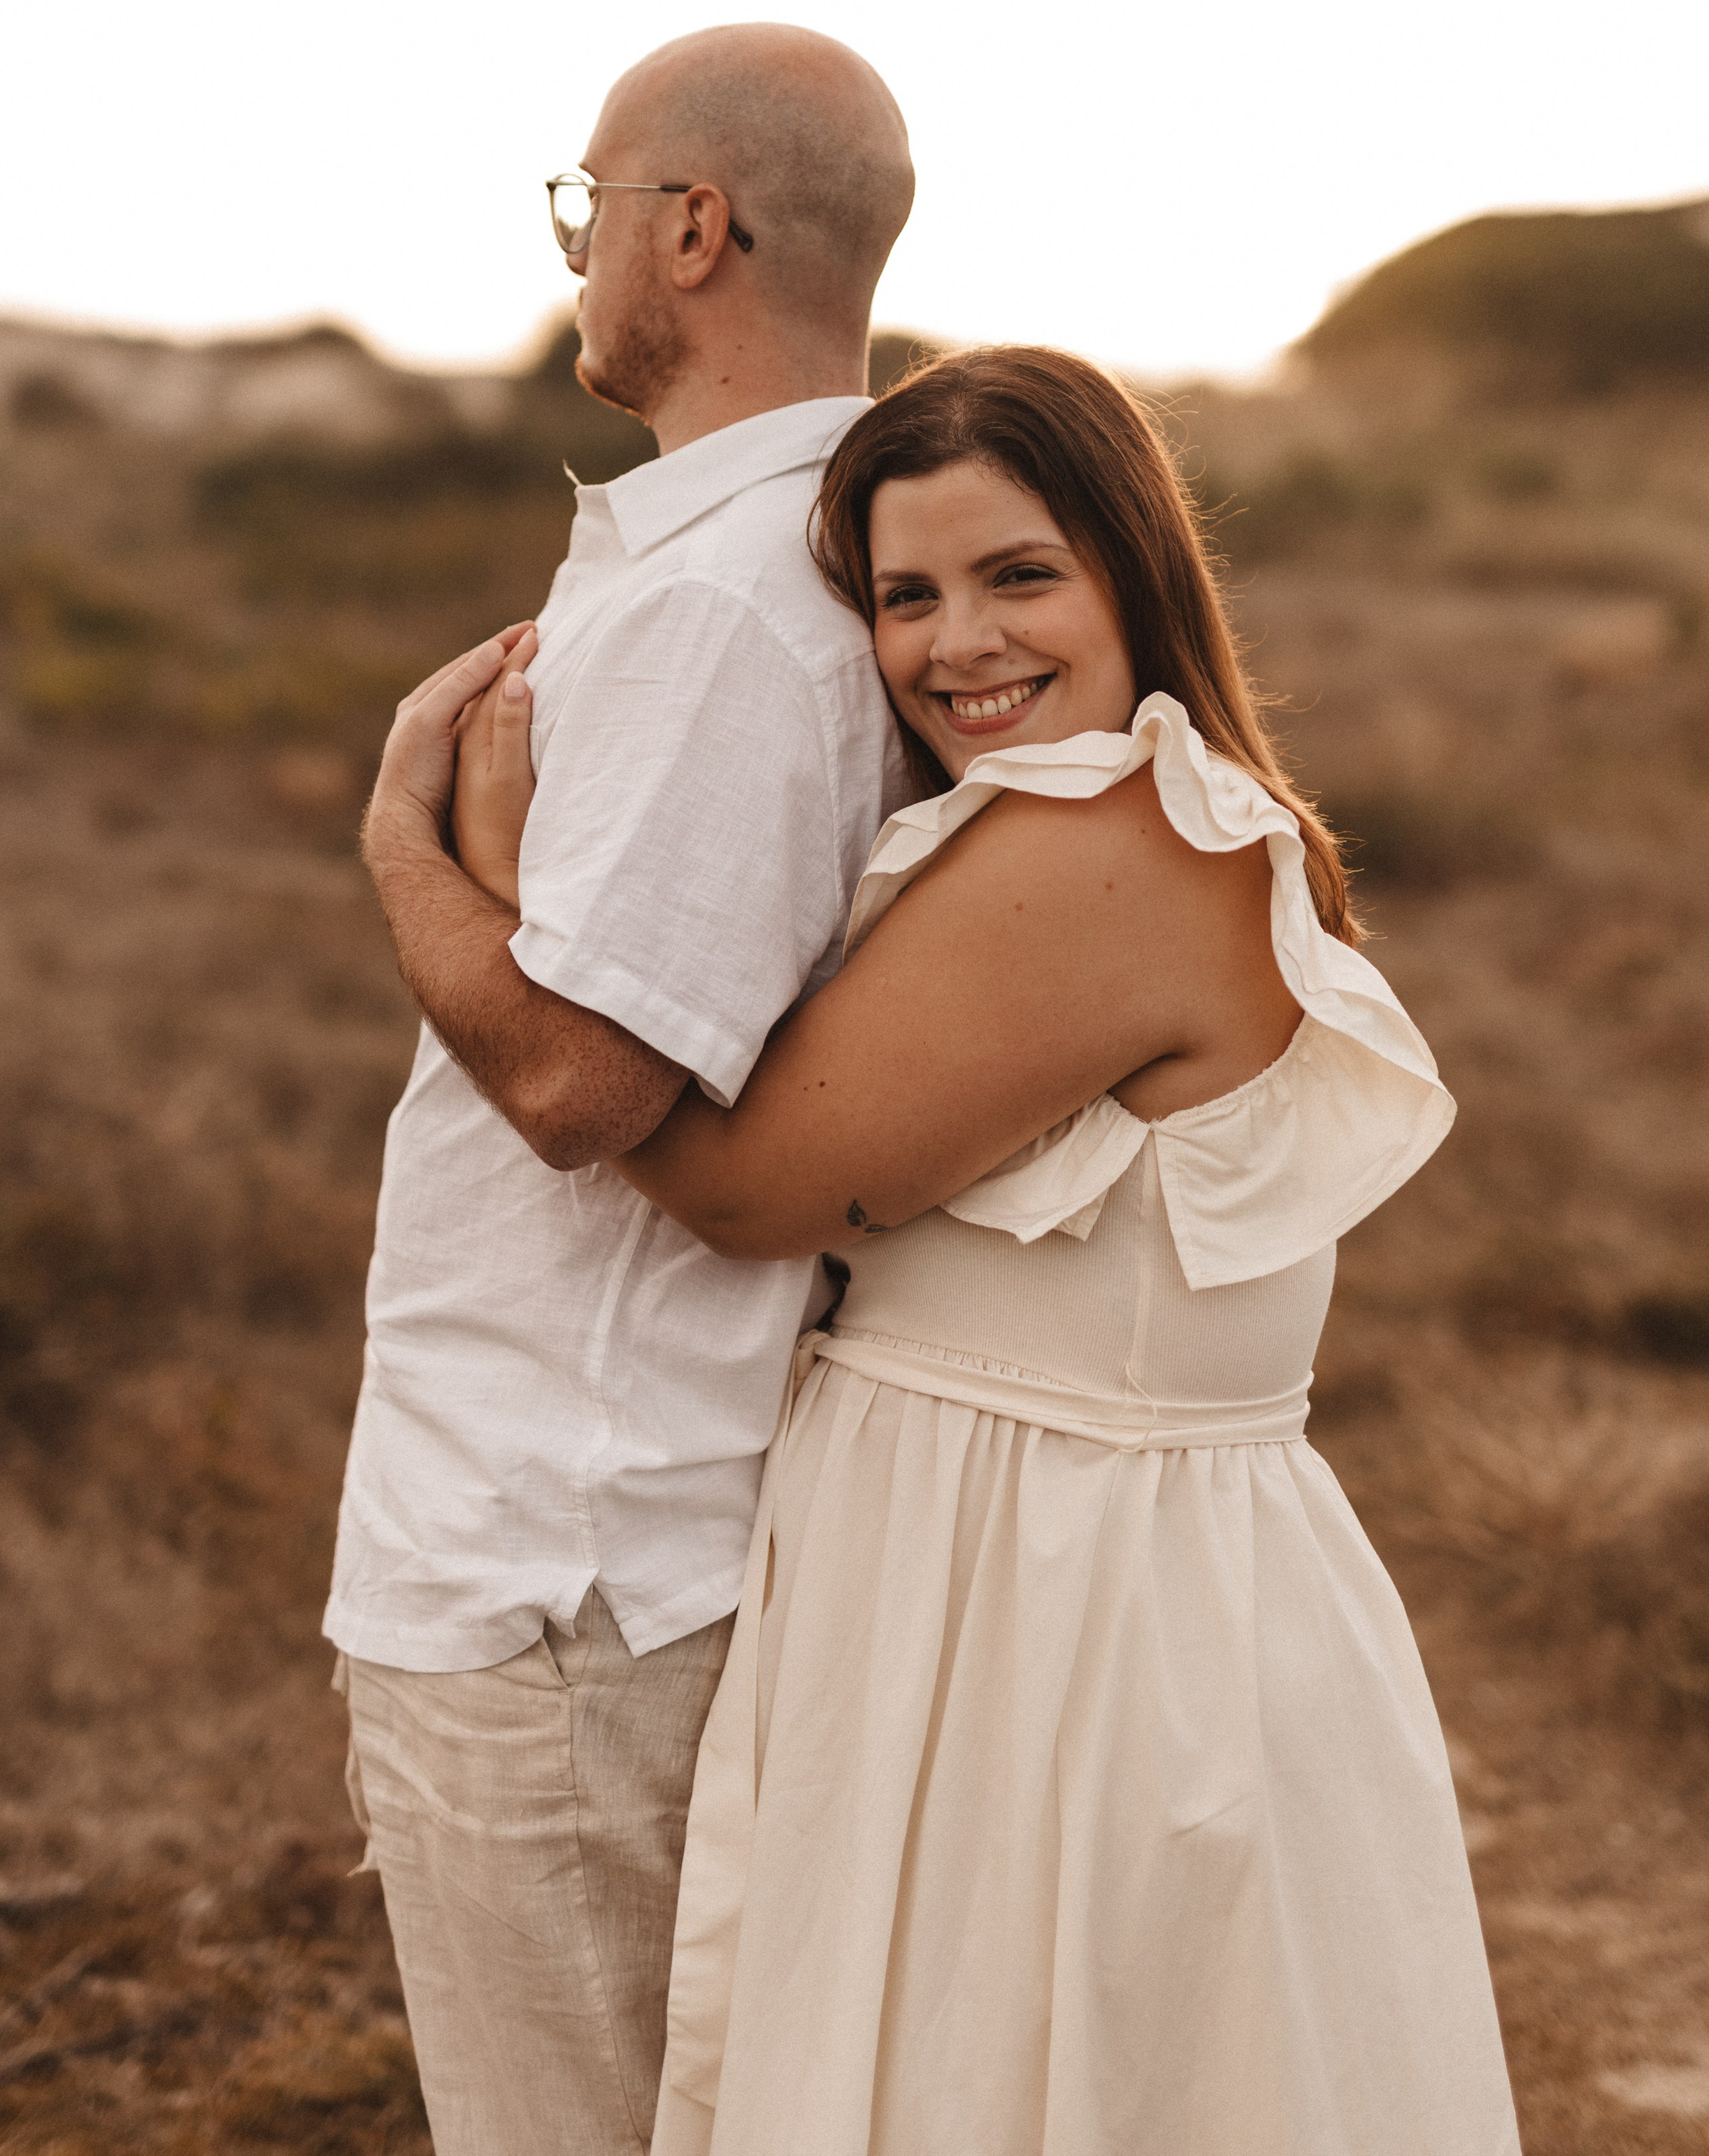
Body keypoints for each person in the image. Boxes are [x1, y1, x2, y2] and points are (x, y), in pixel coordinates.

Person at [450, 345, 1523, 2156]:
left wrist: (470, 857)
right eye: (906, 595)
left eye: (1021, 574)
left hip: (1066, 1615)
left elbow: (737, 1187)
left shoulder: (1113, 848)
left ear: (1133, 571)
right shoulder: (1089, 828)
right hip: (1045, 1574)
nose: (961, 642)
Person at [329, 22, 917, 2156]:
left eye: (591, 205)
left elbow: (583, 1083)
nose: (578, 254)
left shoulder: (728, 618)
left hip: (569, 1558)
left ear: (696, 228)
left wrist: (400, 838)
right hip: (584, 1543)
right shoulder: (753, 570)